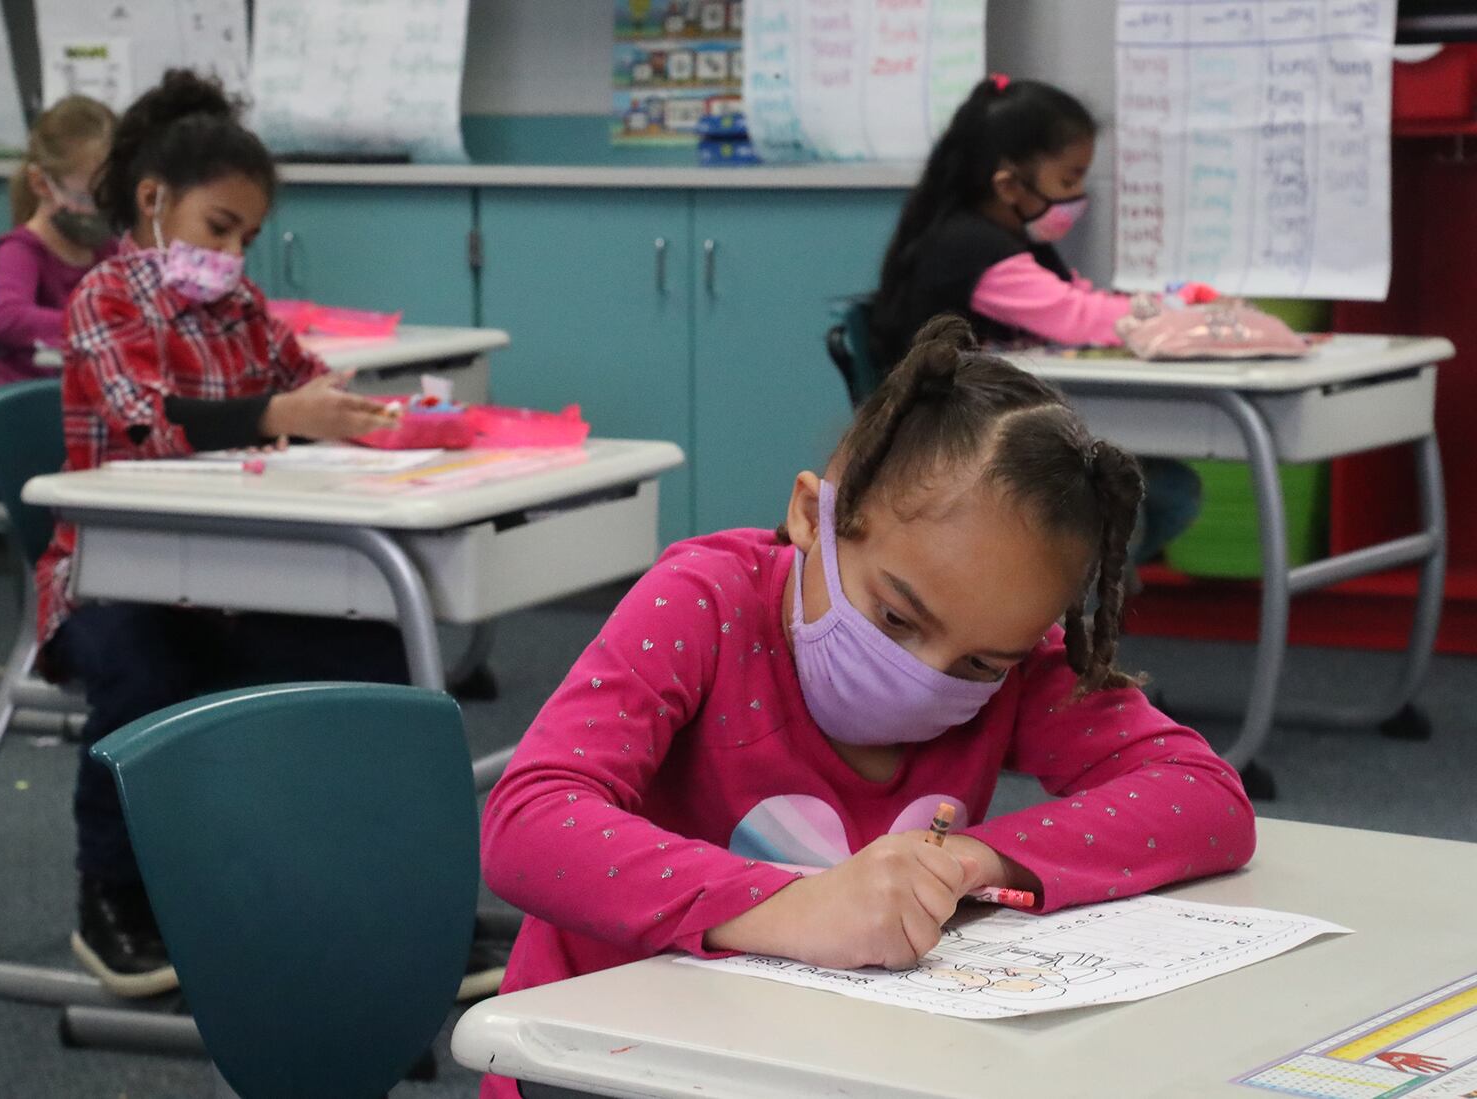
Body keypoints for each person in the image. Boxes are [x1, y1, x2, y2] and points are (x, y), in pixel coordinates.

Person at [479, 316, 1255, 1099]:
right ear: (812, 517)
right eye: (895, 616)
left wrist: (964, 862)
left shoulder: (1014, 662)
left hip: (820, 1059)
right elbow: (529, 821)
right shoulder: (704, 606)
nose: (926, 677)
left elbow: (1206, 797)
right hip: (600, 1064)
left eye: (979, 662)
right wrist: (791, 906)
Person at [34, 70, 402, 997]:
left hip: (240, 570)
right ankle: (112, 896)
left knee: (364, 650)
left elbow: (309, 385)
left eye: (246, 236)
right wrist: (281, 409)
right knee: (146, 669)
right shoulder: (105, 300)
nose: (232, 254)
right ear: (153, 202)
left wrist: (370, 416)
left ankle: (357, 888)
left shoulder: (238, 310)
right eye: (218, 228)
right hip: (112, 577)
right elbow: (143, 423)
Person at [869, 74, 1200, 566]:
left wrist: (1157, 303)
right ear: (1008, 184)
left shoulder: (1015, 242)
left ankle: (1071, 602)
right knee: (1121, 500)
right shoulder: (974, 249)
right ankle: (1064, 616)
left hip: (991, 425)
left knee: (1169, 490)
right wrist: (1169, 311)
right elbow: (1075, 317)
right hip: (956, 438)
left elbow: (1077, 296)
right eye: (1068, 180)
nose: (1078, 195)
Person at [0, 95, 117, 388]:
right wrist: (91, 326)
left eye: (108, 198)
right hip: (34, 406)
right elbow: (6, 318)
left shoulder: (106, 248)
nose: (98, 211)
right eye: (85, 198)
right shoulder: (20, 250)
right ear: (42, 184)